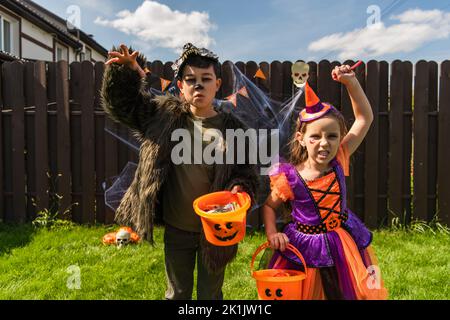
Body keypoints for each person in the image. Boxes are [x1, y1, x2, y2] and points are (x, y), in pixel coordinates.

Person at [101, 43, 259, 300]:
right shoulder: (164, 117)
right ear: (181, 86)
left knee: (210, 294)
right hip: (178, 226)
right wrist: (126, 73)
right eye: (191, 79)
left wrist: (239, 188)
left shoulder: (235, 130)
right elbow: (125, 107)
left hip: (217, 230)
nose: (199, 85)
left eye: (206, 79)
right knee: (177, 293)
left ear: (217, 84)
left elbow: (247, 174)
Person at [262, 64, 388, 299]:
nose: (324, 143)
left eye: (332, 136)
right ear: (301, 138)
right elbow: (269, 206)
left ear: (340, 138)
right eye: (315, 136)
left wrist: (351, 82)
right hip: (303, 246)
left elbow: (364, 117)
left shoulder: (340, 157)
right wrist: (272, 234)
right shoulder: (289, 177)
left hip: (341, 243)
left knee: (341, 292)